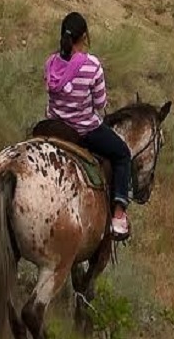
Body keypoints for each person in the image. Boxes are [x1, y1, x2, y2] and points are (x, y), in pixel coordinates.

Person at [45, 12, 133, 239]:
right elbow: (100, 104)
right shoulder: (92, 65)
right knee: (122, 153)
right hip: (82, 131)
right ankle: (119, 215)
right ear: (83, 37)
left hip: (53, 126)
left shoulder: (51, 63)